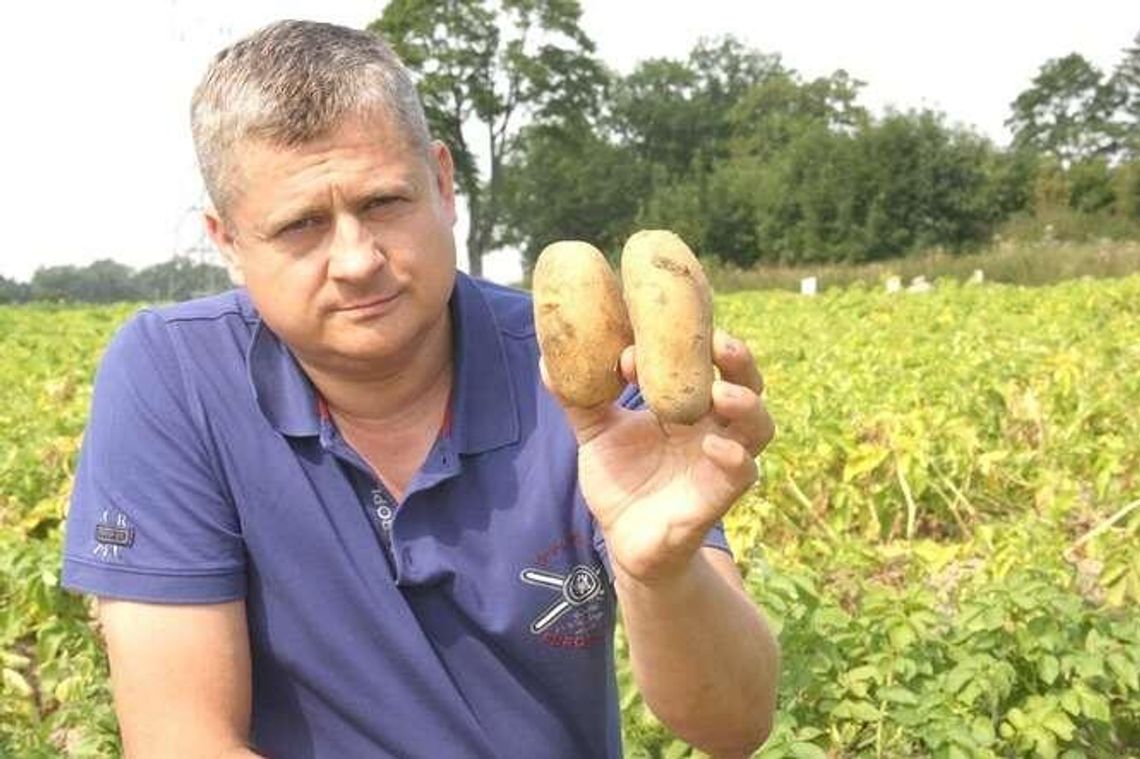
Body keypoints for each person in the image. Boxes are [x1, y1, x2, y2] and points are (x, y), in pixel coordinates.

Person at [61, 19, 779, 759]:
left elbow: (736, 725)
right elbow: (182, 739)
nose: (357, 259)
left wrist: (661, 572)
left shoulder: (586, 380)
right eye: (302, 224)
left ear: (442, 183)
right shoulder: (175, 375)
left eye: (383, 203)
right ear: (229, 243)